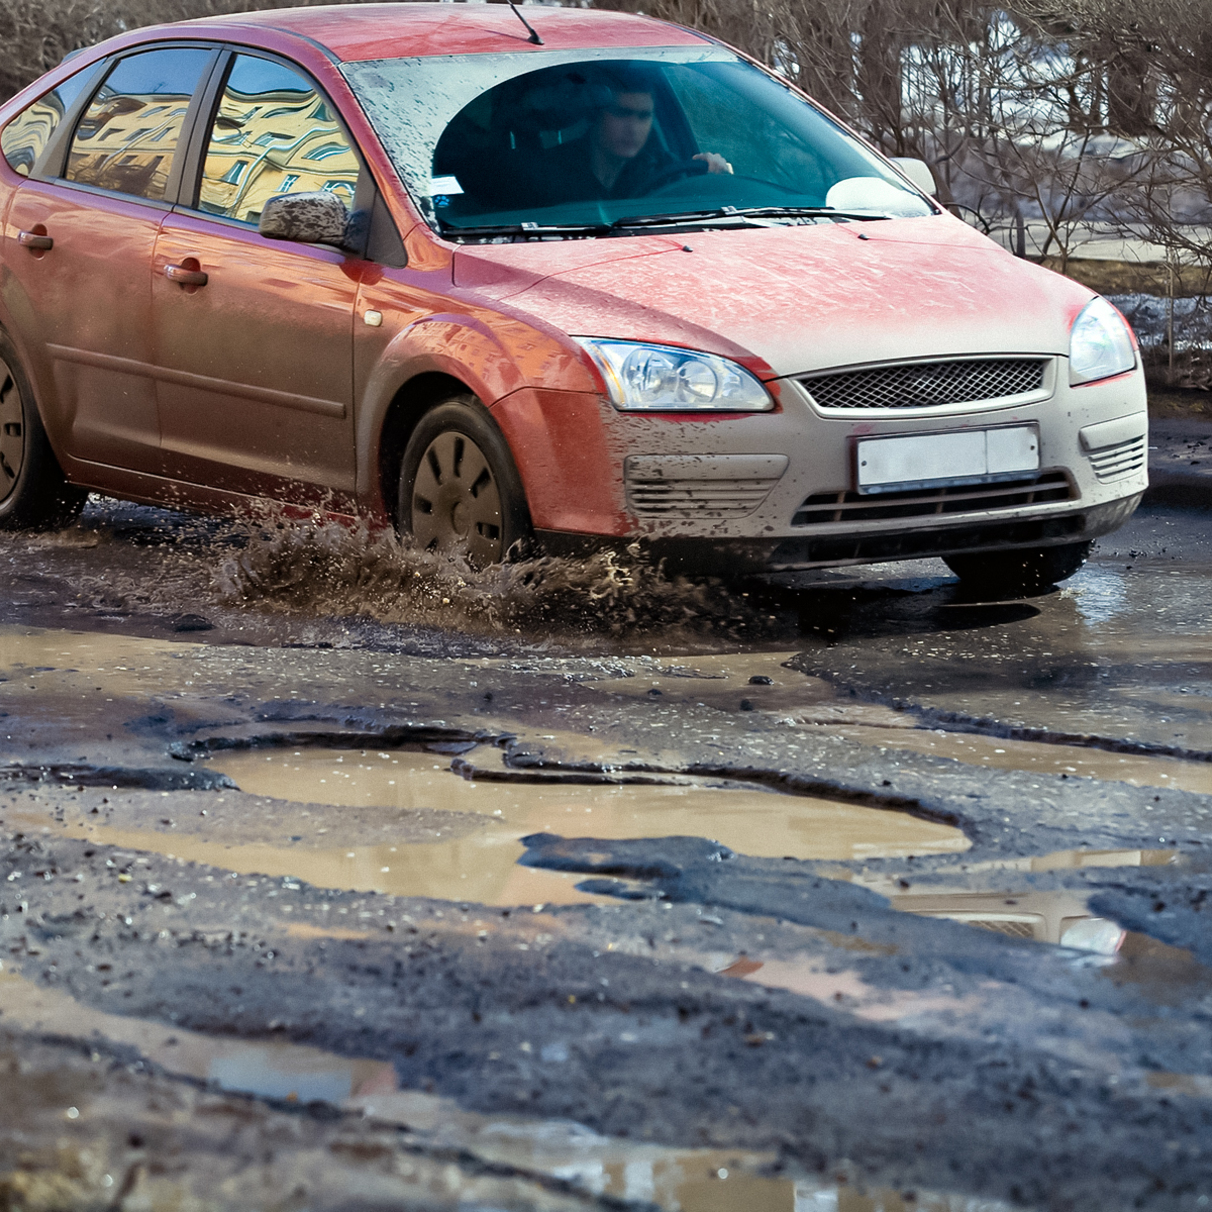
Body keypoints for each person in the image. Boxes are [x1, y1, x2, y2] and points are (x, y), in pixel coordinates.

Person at [537, 71, 733, 204]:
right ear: (596, 115)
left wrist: (715, 178)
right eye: (621, 113)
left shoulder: (666, 170)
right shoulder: (550, 171)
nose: (633, 128)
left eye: (643, 116)